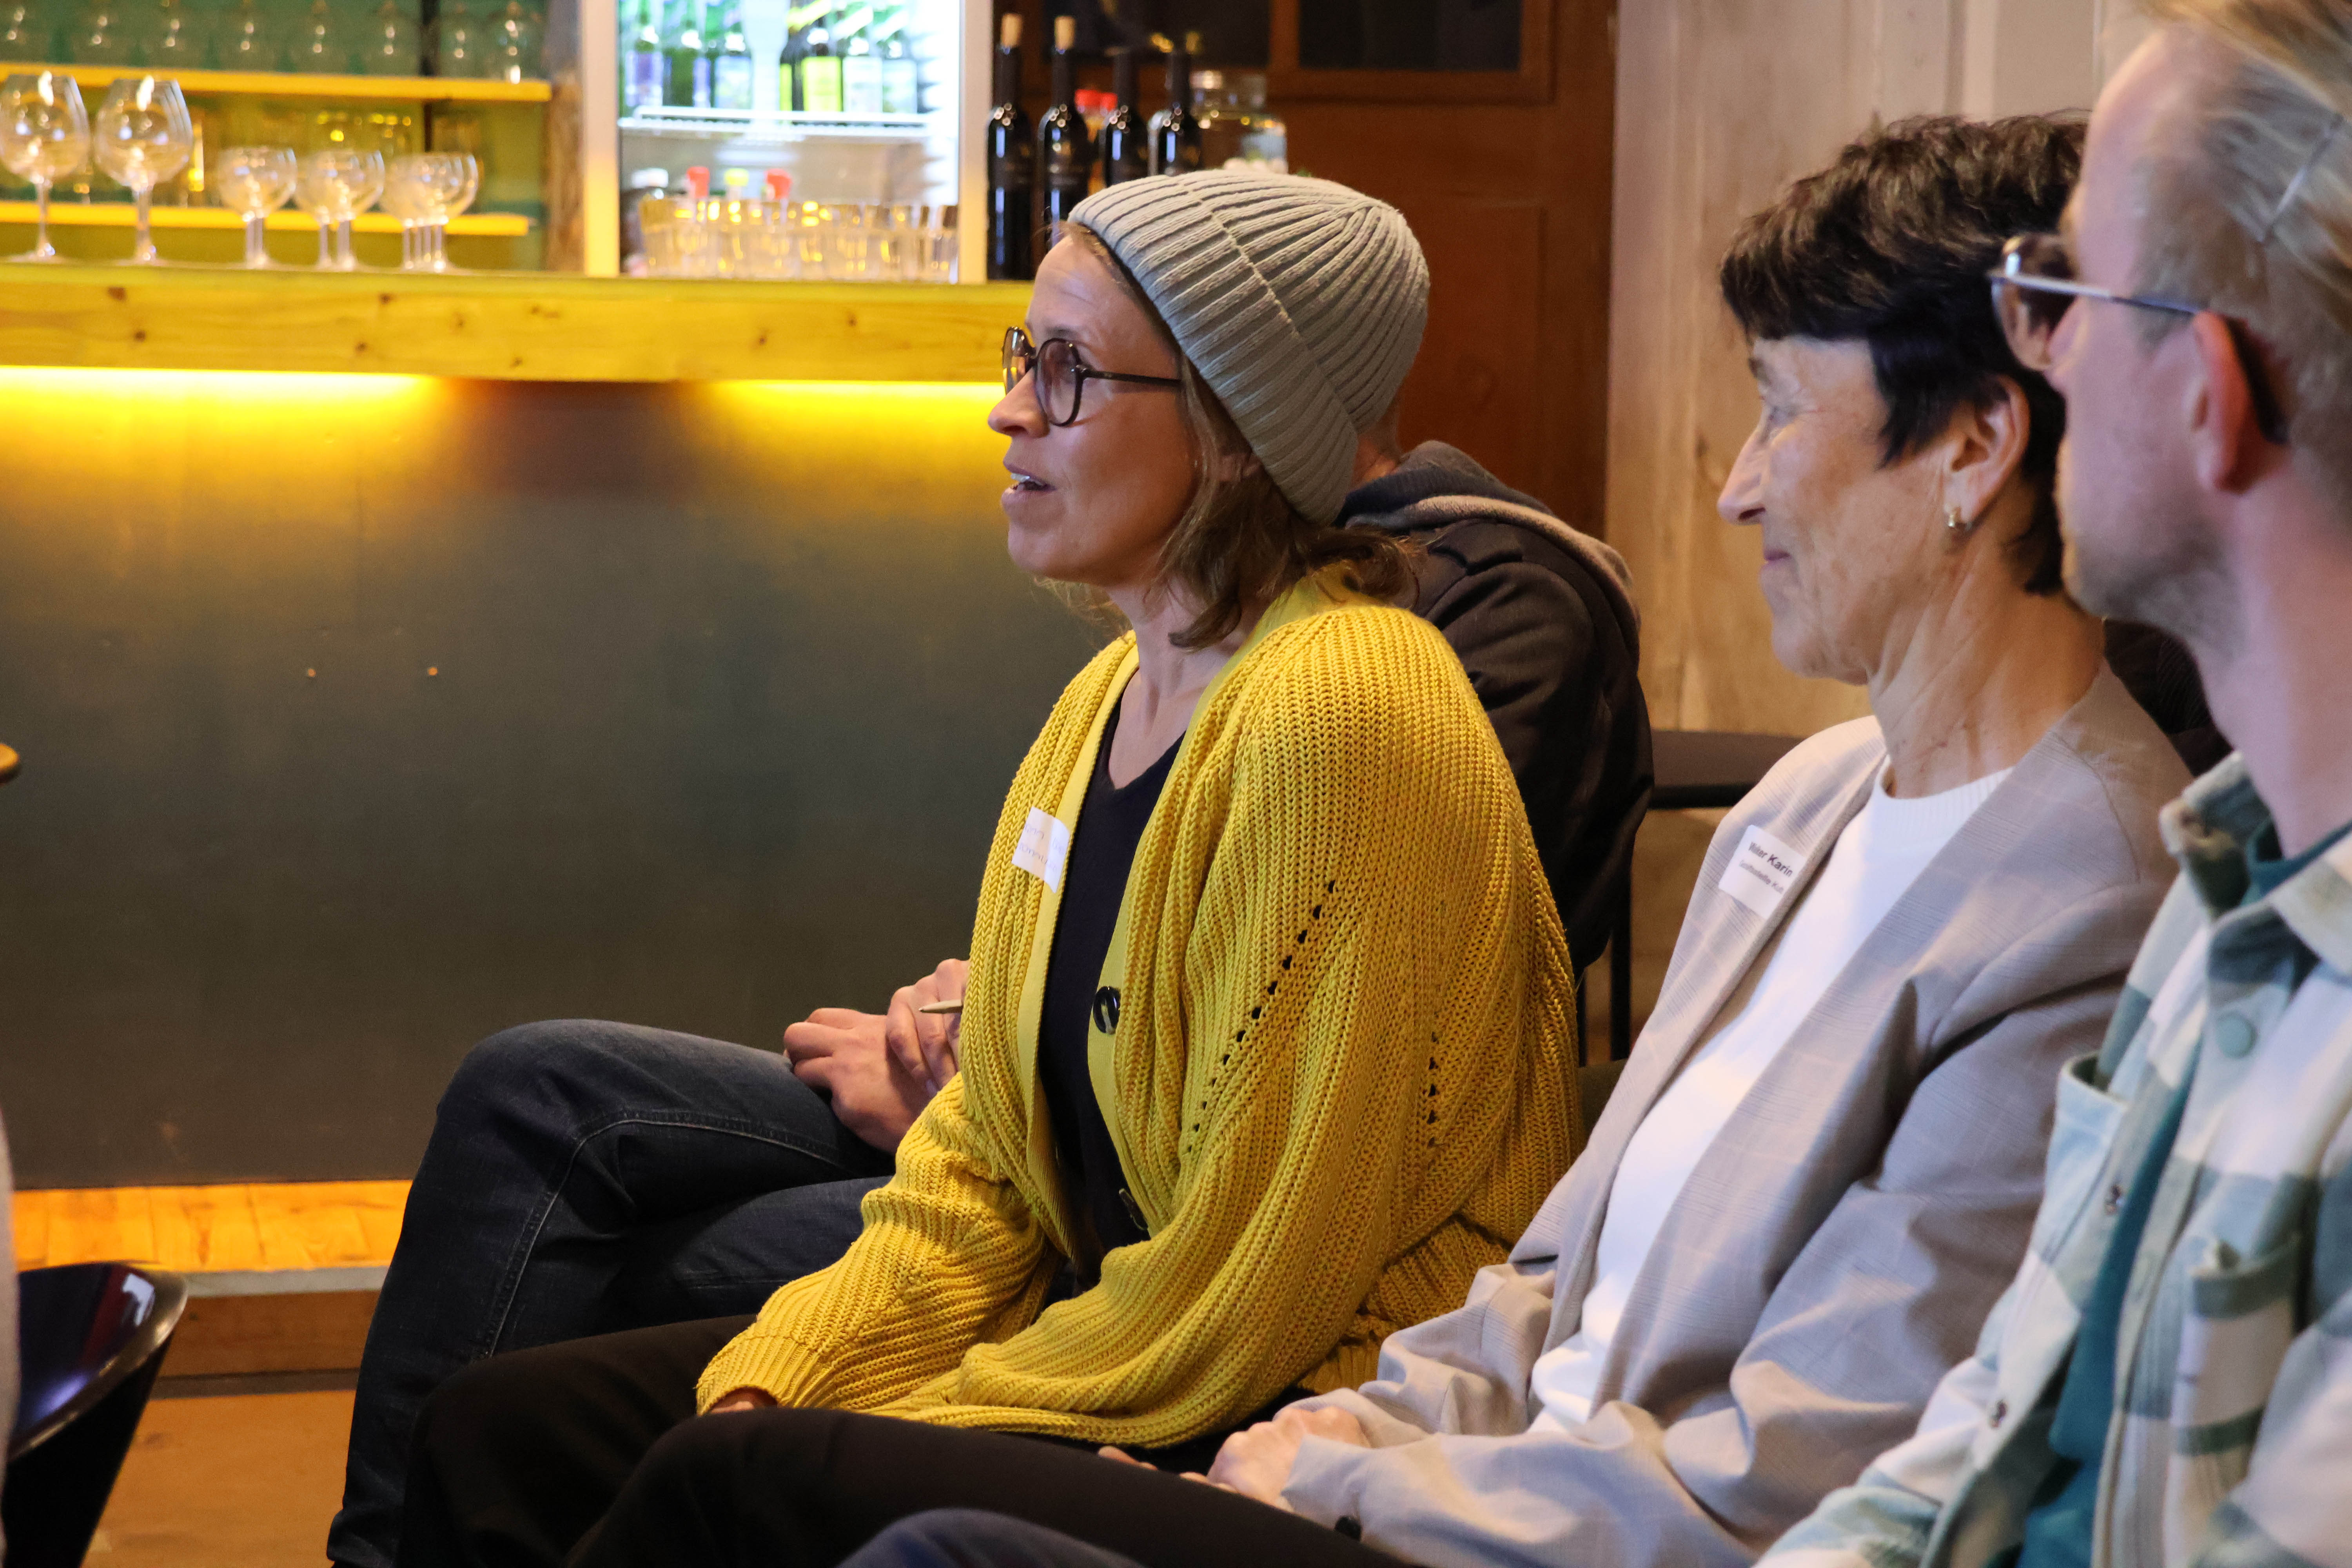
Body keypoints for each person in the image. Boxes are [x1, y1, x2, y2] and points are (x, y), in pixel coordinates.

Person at [457, 115, 2198, 1568]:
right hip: (1415, 1454)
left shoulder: (2080, 903)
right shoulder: (1809, 802)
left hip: (1491, 1521)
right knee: (544, 1390)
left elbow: (1780, 1481)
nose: (1733, 483)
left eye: (1778, 410)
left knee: (750, 1473)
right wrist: (1370, 1430)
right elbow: (1552, 1279)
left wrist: (1347, 1470)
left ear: (1974, 447)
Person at [330, 211, 1650, 1568]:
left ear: (1235, 428)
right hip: (1112, 1318)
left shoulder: (1342, 705)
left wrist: (907, 1408)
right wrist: (781, 1375)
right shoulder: (1105, 701)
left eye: (1070, 371)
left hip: (1298, 1402)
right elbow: (987, 1163)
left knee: (718, 1479)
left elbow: (1255, 1284)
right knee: (499, 1427)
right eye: (1024, 356)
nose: (1010, 410)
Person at [1758, 4, 2352, 1566]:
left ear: (2213, 393)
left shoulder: (2127, 880)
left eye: (2066, 292)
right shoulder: (2227, 891)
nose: (2039, 355)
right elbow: (1972, 1457)